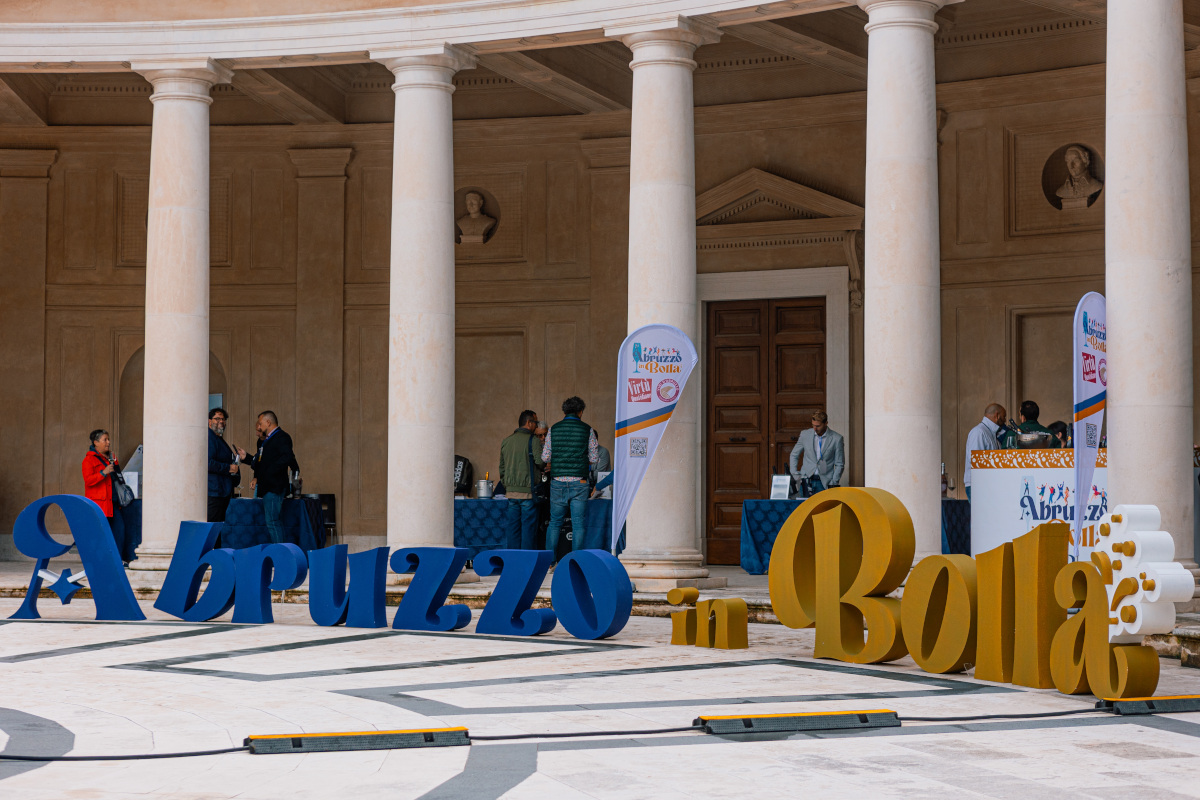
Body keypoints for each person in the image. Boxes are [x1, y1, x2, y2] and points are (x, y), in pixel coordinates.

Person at [542, 396, 598, 559]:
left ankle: (550, 562)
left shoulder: (554, 429)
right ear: (580, 412)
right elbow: (594, 459)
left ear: (564, 411)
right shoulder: (587, 429)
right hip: (579, 482)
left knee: (554, 523)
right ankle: (576, 561)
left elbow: (545, 457)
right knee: (578, 524)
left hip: (557, 481)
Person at [235, 411, 297, 545]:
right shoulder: (266, 441)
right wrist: (247, 458)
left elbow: (287, 457)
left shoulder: (282, 437)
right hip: (267, 486)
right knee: (271, 521)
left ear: (268, 423)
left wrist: (269, 470)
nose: (259, 427)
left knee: (273, 521)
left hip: (274, 486)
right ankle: (279, 551)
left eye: (261, 423)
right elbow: (260, 463)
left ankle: (281, 553)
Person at [82, 429, 129, 565]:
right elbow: (89, 481)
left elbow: (118, 477)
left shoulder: (111, 457)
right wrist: (103, 472)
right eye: (105, 440)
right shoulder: (88, 460)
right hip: (99, 504)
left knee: (119, 532)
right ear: (96, 442)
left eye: (108, 439)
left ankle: (116, 560)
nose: (108, 442)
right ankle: (99, 561)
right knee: (100, 534)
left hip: (113, 503)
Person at [499, 410, 544, 550]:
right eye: (535, 423)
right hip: (528, 493)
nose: (536, 426)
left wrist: (507, 485)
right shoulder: (533, 441)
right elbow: (540, 462)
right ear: (529, 423)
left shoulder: (506, 441)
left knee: (513, 529)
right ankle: (526, 561)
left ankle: (513, 558)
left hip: (511, 493)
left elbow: (502, 467)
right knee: (528, 530)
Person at [788, 411, 845, 498]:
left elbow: (839, 463)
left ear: (826, 423)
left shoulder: (837, 438)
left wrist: (833, 482)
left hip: (825, 483)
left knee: (823, 510)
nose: (815, 428)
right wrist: (795, 475)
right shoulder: (805, 435)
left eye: (818, 426)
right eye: (813, 425)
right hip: (806, 480)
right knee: (805, 509)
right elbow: (794, 455)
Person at [964, 403, 1006, 501]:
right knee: (981, 516)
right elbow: (975, 461)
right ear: (997, 415)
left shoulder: (991, 434)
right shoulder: (979, 432)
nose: (1004, 420)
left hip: (987, 485)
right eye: (1004, 416)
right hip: (978, 485)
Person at [207, 407, 240, 523]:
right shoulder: (209, 437)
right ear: (209, 421)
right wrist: (229, 468)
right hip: (214, 492)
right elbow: (208, 463)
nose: (221, 421)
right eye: (217, 419)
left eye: (223, 419)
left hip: (221, 492)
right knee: (212, 527)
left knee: (217, 528)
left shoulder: (219, 439)